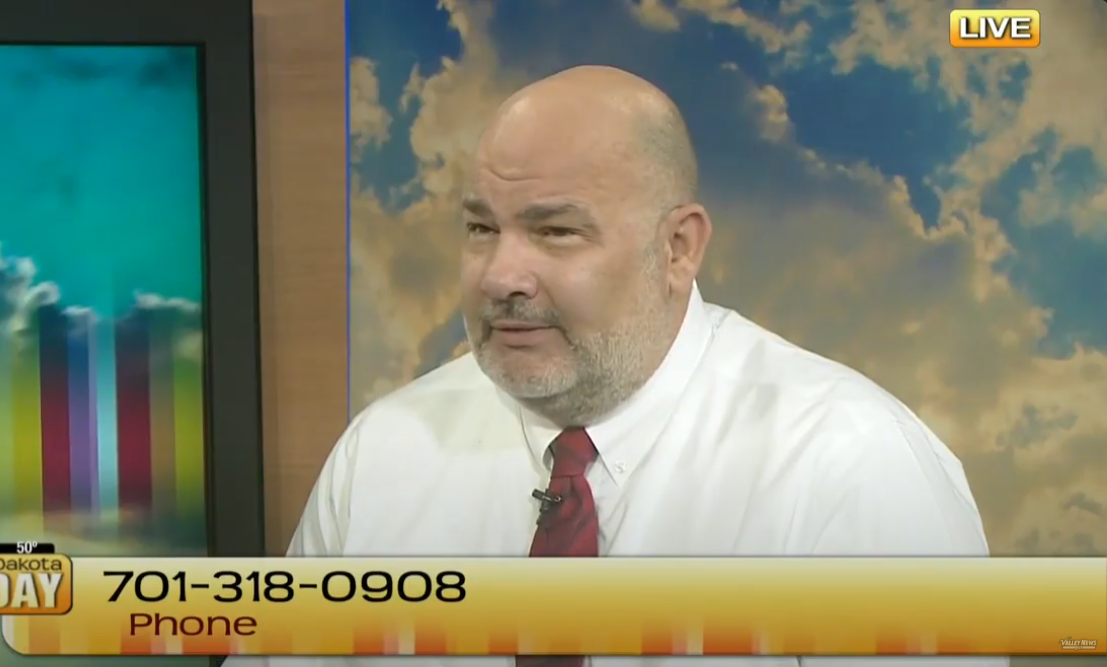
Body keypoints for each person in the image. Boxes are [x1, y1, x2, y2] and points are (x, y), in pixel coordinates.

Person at [225, 67, 1003, 667]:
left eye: (556, 232)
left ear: (678, 248)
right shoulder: (382, 454)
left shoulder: (852, 464)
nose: (501, 276)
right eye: (480, 228)